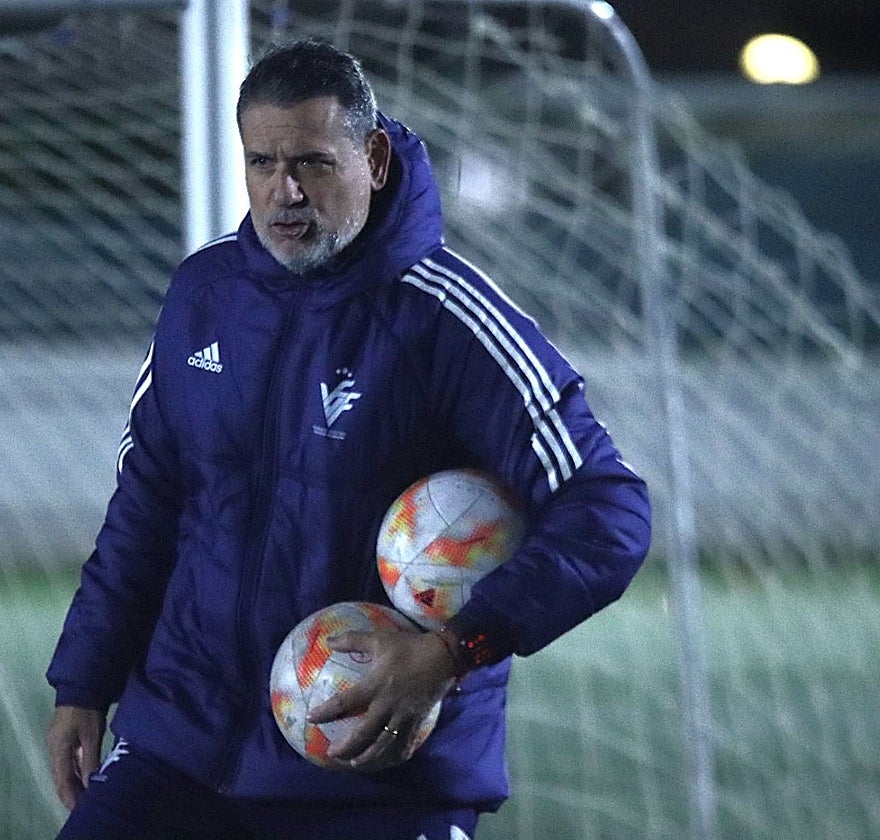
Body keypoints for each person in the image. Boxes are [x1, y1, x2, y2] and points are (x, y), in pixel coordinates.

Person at [46, 38, 651, 840]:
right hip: (181, 749)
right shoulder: (205, 296)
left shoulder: (446, 320)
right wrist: (82, 682)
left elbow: (607, 510)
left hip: (380, 777)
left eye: (312, 163)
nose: (283, 191)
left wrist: (449, 653)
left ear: (371, 156)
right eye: (262, 163)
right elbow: (147, 505)